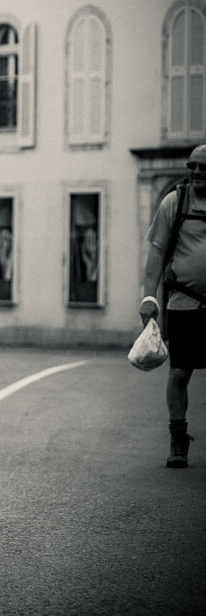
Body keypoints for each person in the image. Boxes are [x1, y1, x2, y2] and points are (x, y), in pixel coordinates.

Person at [141, 144, 206, 468]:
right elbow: (156, 252)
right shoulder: (174, 202)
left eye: (202, 168)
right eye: (191, 166)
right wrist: (149, 297)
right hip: (183, 303)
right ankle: (178, 442)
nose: (195, 173)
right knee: (179, 373)